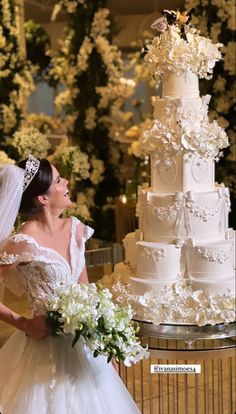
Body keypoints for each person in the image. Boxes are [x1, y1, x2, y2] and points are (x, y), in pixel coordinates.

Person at [0, 155, 141, 414]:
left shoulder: (75, 229)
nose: (66, 182)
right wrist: (24, 323)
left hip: (84, 348)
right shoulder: (22, 242)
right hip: (43, 353)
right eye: (58, 179)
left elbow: (86, 289)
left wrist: (104, 347)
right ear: (42, 198)